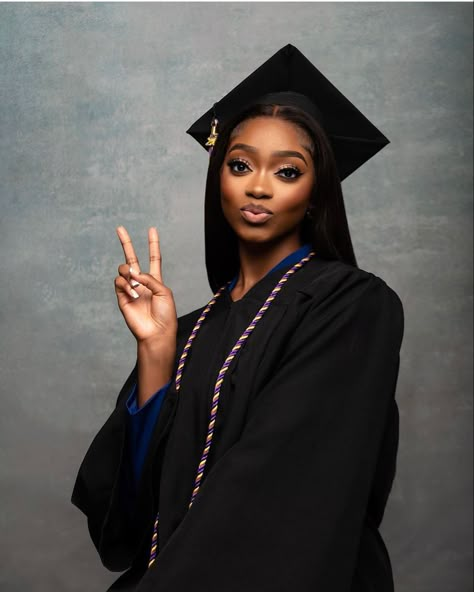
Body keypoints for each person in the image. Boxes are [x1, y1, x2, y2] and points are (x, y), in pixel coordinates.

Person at [71, 44, 404, 591]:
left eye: (288, 171)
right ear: (219, 180)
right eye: (241, 164)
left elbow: (282, 491)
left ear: (317, 193)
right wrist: (157, 356)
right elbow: (128, 529)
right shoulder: (191, 328)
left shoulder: (352, 307)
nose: (258, 186)